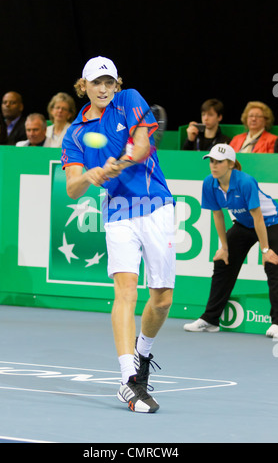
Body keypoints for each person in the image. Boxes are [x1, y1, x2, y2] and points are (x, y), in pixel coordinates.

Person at [61, 56, 176, 413]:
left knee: (162, 300)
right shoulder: (74, 133)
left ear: (116, 84)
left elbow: (142, 146)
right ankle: (128, 379)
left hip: (156, 205)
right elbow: (73, 189)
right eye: (97, 83)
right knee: (125, 291)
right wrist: (91, 175)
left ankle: (142, 354)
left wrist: (119, 164)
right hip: (118, 213)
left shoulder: (130, 100)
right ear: (84, 86)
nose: (104, 88)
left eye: (109, 82)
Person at [183, 143, 278, 338]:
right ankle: (210, 320)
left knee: (273, 266)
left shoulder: (245, 182)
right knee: (222, 261)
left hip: (271, 223)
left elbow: (258, 216)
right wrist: (224, 247)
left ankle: (277, 322)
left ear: (231, 164)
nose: (213, 165)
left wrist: (266, 249)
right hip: (243, 224)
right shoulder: (209, 183)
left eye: (219, 162)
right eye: (211, 161)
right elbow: (217, 215)